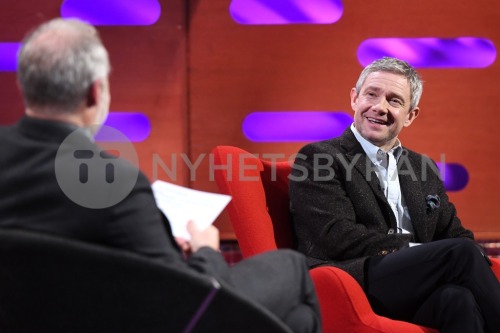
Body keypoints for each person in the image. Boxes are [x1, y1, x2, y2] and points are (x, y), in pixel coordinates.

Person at [0, 18, 321, 333]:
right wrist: (206, 250)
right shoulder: (115, 184)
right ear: (95, 93)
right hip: (127, 317)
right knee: (292, 269)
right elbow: (183, 302)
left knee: (294, 322)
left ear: (24, 84)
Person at [289, 56, 500, 333]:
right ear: (355, 98)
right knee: (461, 254)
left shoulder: (421, 167)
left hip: (414, 286)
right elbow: (334, 237)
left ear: (411, 115)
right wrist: (416, 251)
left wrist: (433, 255)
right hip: (353, 279)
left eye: (394, 100)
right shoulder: (320, 157)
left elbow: (455, 235)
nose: (379, 107)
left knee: (457, 299)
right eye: (371, 94)